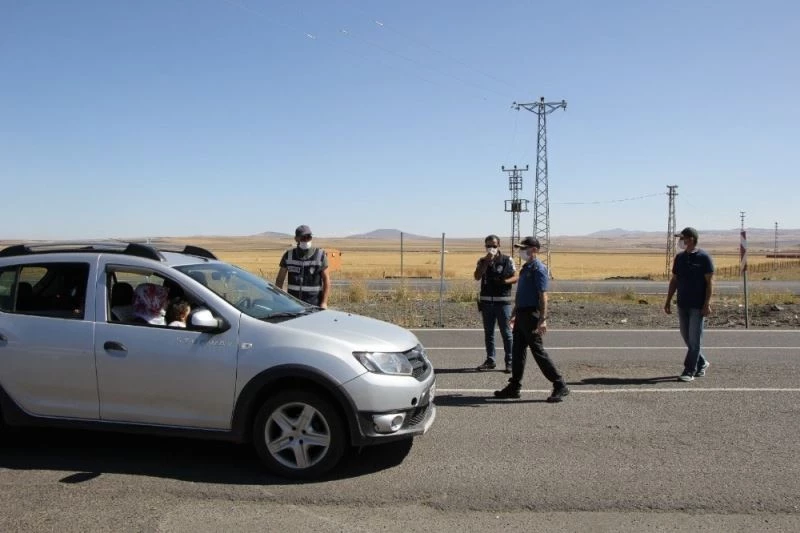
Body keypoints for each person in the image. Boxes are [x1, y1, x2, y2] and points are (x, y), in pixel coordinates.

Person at [494, 237, 569, 402]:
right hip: (521, 314)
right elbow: (521, 293)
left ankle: (559, 384)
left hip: (531, 315)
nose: (521, 251)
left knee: (538, 351)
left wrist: (543, 319)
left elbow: (543, 295)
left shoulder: (539, 269)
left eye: (524, 248)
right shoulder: (526, 268)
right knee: (518, 351)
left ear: (534, 249)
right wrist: (514, 312)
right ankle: (514, 386)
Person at [664, 227, 714, 382]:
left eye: (683, 238)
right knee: (687, 337)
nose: (681, 241)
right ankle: (702, 362)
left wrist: (707, 304)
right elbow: (675, 280)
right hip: (682, 304)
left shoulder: (704, 258)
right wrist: (668, 300)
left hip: (697, 306)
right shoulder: (679, 258)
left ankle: (689, 370)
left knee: (695, 339)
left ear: (691, 239)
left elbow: (710, 282)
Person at [474, 234, 517, 372]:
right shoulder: (482, 261)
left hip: (502, 302)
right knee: (489, 333)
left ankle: (510, 361)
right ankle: (490, 360)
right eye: (488, 246)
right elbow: (477, 276)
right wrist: (486, 262)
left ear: (498, 245)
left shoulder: (506, 259)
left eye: (493, 245)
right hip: (487, 302)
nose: (491, 248)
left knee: (506, 333)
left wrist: (504, 281)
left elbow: (516, 277)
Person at [275, 225, 331, 308]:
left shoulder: (320, 255)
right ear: (296, 239)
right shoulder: (288, 255)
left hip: (314, 304)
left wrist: (324, 302)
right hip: (293, 305)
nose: (306, 240)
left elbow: (326, 281)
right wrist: (280, 300)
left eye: (308, 237)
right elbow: (279, 280)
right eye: (303, 237)